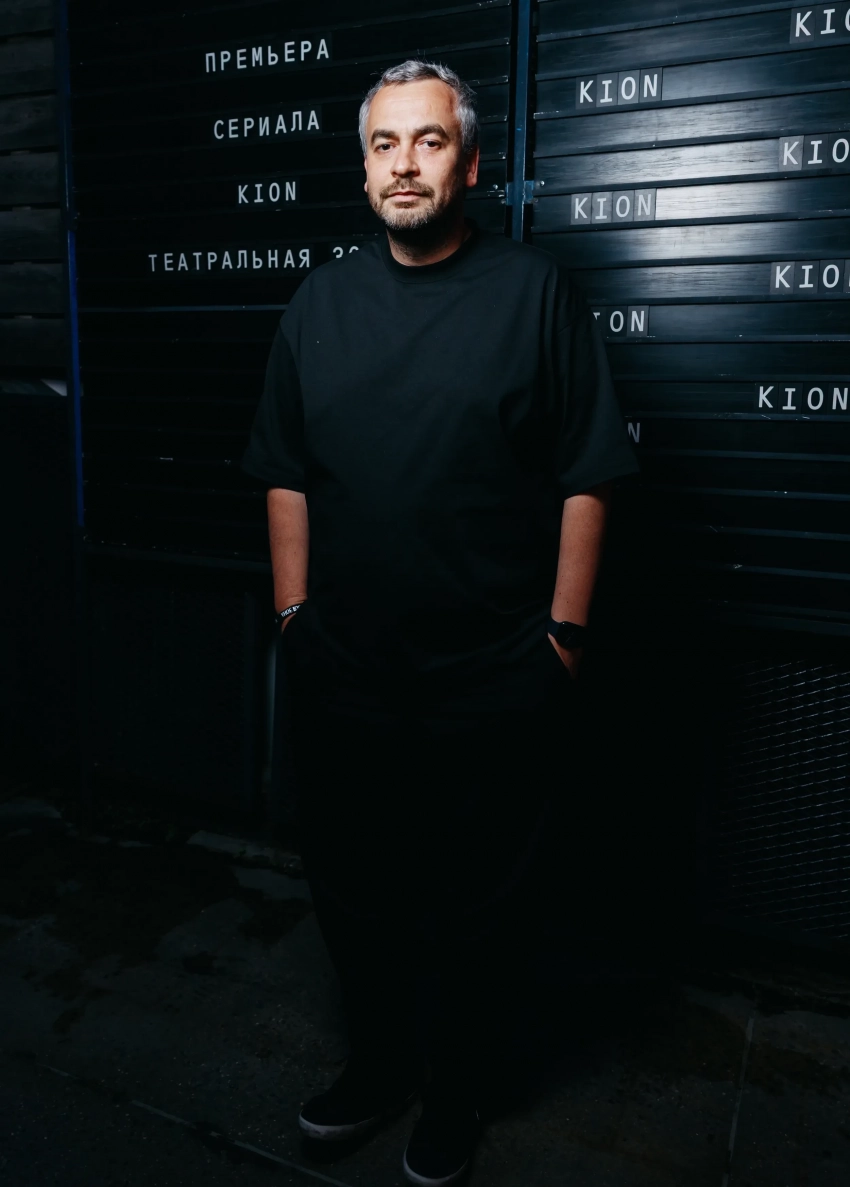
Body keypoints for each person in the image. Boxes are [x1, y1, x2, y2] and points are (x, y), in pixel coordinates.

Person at [242, 58, 638, 1187]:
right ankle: (378, 1066)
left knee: (481, 906)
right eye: (384, 145)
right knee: (354, 892)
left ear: (468, 165)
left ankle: (455, 1090)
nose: (403, 164)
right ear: (364, 169)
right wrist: (294, 615)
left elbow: (590, 473)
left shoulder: (534, 293)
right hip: (346, 673)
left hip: (493, 676)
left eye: (427, 141)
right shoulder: (320, 302)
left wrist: (560, 642)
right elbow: (283, 469)